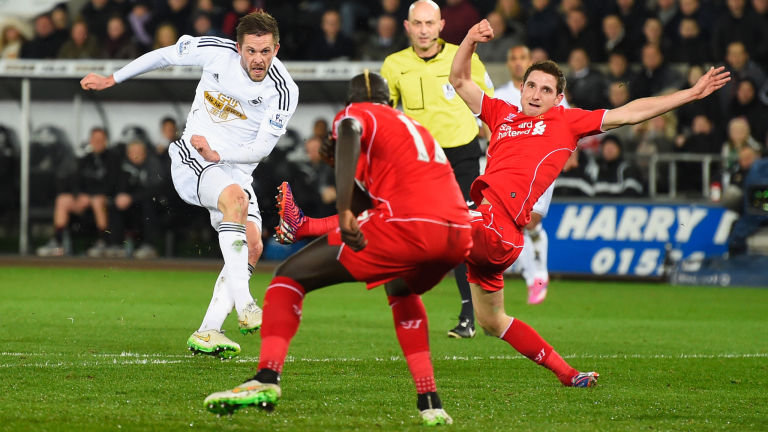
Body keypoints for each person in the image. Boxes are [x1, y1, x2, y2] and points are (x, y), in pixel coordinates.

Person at [448, 19, 728, 389]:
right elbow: (460, 81)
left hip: (499, 227)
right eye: (531, 85)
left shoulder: (567, 122)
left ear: (557, 98)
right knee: (492, 321)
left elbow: (630, 111)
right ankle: (568, 374)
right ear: (521, 88)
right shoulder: (502, 114)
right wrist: (468, 39)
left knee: (435, 214)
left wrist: (690, 94)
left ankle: (368, 246)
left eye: (545, 89)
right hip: (492, 233)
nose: (535, 94)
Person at [204, 71, 472, 426]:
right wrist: (343, 179)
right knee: (401, 287)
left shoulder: (353, 115)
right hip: (458, 235)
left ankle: (266, 378)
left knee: (289, 276)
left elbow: (348, 132)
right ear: (390, 101)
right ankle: (430, 401)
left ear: (351, 103)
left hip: (408, 226)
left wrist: (343, 208)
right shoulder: (413, 127)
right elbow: (373, 197)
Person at [80, 11, 298, 358]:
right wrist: (114, 78)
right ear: (238, 47)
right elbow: (165, 55)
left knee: (254, 245)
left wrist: (219, 152)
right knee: (235, 200)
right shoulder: (215, 51)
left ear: (277, 48)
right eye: (252, 51)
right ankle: (246, 304)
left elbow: (262, 148)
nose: (259, 60)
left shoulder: (284, 90)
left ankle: (208, 330)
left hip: (232, 167)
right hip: (192, 155)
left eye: (266, 52)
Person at [380, 0, 494, 338]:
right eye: (418, 23)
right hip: (419, 160)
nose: (425, 29)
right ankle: (410, 310)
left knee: (463, 233)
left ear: (442, 24)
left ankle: (469, 314)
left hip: (462, 155)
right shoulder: (394, 64)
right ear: (407, 26)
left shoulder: (465, 57)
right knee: (415, 233)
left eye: (430, 23)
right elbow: (385, 115)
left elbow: (490, 107)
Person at [495, 43, 568, 304]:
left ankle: (537, 272)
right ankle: (532, 277)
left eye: (521, 58)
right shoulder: (501, 94)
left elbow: (567, 126)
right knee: (517, 221)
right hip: (509, 167)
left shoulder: (550, 92)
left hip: (541, 167)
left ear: (529, 61)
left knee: (531, 221)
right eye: (512, 58)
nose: (517, 62)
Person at [36, 127, 116, 257]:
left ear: (106, 141)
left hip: (103, 199)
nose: (97, 142)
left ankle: (103, 241)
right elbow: (75, 180)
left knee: (97, 200)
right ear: (90, 140)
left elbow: (112, 184)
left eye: (100, 139)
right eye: (95, 139)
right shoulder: (84, 158)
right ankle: (57, 241)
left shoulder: (112, 158)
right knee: (62, 200)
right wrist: (77, 195)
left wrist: (90, 196)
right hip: (84, 198)